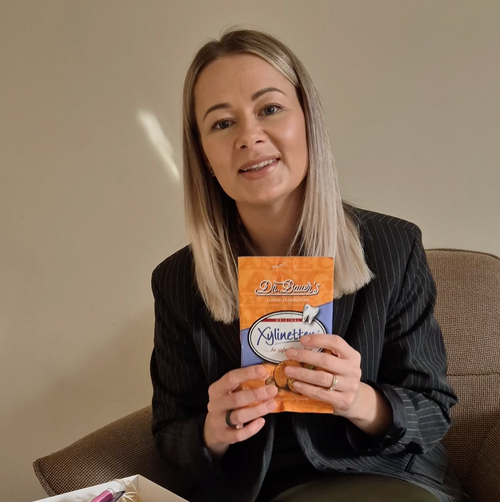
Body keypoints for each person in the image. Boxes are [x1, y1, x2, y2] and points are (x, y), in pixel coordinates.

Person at [150, 28, 464, 502]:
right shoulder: (177, 281)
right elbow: (170, 435)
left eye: (269, 109)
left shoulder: (394, 246)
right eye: (222, 123)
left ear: (308, 122)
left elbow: (433, 411)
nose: (249, 137)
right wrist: (214, 430)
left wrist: (359, 400)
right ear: (203, 155)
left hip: (388, 480)